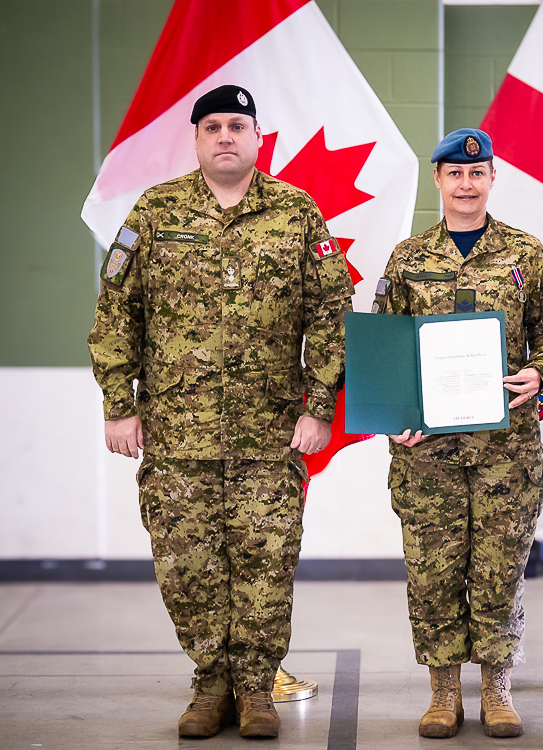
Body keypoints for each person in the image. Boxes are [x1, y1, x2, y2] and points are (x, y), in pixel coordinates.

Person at [88, 85, 354, 739]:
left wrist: (320, 407)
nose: (226, 135)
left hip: (270, 432)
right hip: (178, 433)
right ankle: (210, 685)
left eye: (238, 125)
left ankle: (257, 689)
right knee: (187, 565)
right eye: (213, 127)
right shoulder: (156, 211)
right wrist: (119, 407)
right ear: (198, 139)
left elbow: (331, 311)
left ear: (259, 137)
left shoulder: (295, 213)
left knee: (267, 564)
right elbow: (117, 309)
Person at [373, 128, 543, 739]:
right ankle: (441, 694)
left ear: (492, 178)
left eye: (477, 173)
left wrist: (542, 371)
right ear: (438, 180)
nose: (466, 184)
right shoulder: (408, 259)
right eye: (454, 174)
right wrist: (394, 421)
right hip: (426, 452)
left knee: (499, 569)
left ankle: (496, 689)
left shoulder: (526, 253)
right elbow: (384, 346)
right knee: (432, 570)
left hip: (505, 450)